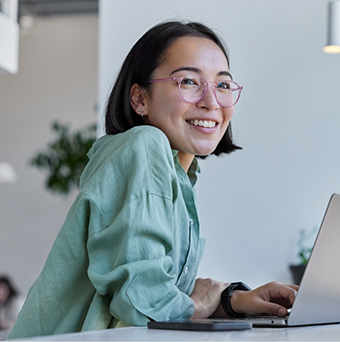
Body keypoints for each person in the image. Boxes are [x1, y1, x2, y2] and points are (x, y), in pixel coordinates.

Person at [7, 20, 298, 339]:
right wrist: (201, 304)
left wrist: (232, 300)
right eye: (189, 81)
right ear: (139, 99)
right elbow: (144, 304)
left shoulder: (178, 174)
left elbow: (158, 293)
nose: (212, 102)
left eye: (223, 85)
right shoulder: (143, 146)